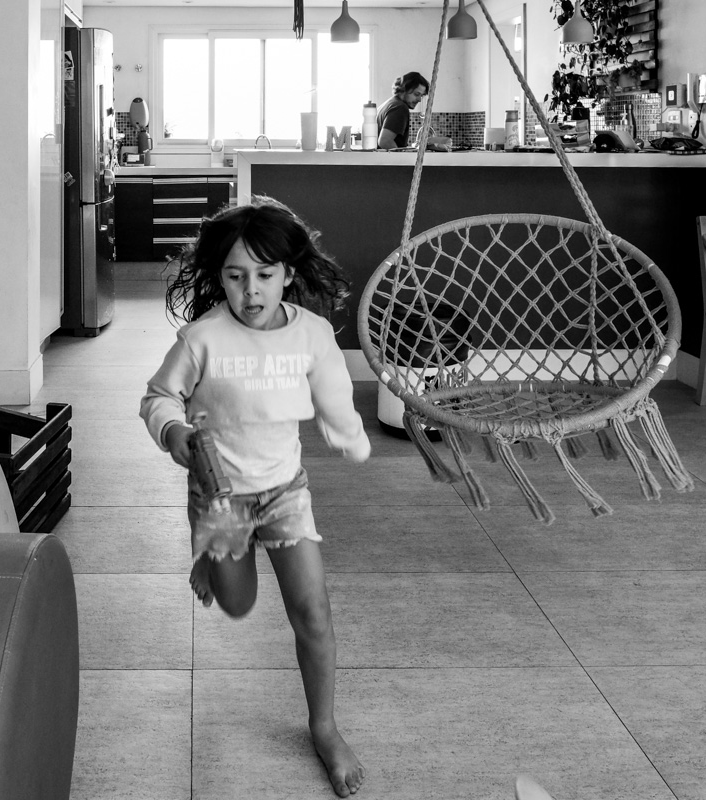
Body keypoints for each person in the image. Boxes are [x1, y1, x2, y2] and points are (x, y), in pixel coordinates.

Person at [140, 197, 371, 797]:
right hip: (219, 496)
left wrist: (348, 433)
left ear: (287, 274)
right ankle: (209, 555)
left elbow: (333, 391)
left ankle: (324, 727)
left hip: (285, 491)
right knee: (238, 604)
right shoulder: (202, 339)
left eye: (265, 275)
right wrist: (174, 431)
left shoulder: (311, 334)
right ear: (219, 278)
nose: (251, 291)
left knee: (313, 612)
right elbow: (158, 397)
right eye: (236, 276)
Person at [376, 71, 430, 149]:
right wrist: (400, 156)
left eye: (421, 96)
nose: (419, 100)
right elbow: (385, 141)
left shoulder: (389, 104)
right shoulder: (400, 108)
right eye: (416, 94)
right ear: (404, 89)